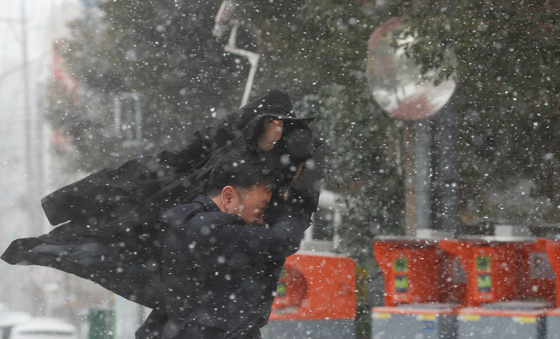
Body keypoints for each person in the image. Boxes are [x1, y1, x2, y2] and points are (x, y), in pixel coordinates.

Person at [1, 89, 324, 310]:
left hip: (204, 275)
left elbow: (286, 227)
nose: (279, 130)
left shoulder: (282, 169)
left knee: (111, 247)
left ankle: (53, 247)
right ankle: (54, 246)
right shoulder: (229, 158)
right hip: (180, 232)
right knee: (110, 238)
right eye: (274, 123)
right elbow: (195, 150)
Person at [137, 149, 310, 339]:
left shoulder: (190, 221)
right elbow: (283, 240)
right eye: (260, 209)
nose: (261, 221)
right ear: (228, 196)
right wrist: (297, 203)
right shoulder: (212, 230)